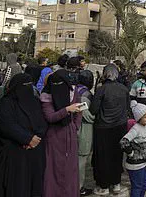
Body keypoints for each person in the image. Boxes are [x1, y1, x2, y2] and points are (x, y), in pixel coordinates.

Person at [0, 73, 48, 197]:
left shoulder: (35, 102)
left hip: (35, 151)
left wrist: (36, 139)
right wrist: (27, 139)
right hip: (15, 152)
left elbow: (42, 122)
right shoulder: (6, 103)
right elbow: (7, 124)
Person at [40, 69, 83, 197]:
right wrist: (67, 110)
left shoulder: (73, 92)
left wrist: (75, 126)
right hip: (54, 136)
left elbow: (79, 109)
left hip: (70, 134)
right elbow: (51, 117)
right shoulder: (46, 96)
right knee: (53, 169)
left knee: (70, 169)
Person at [90, 64, 130, 195]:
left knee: (103, 157)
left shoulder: (101, 90)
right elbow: (127, 106)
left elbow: (94, 109)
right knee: (117, 155)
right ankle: (116, 183)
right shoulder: (124, 89)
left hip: (103, 128)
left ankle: (104, 185)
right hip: (120, 126)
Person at [121, 101, 146, 197]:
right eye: (145, 117)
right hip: (135, 165)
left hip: (144, 161)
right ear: (139, 118)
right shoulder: (135, 129)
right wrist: (131, 153)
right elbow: (124, 142)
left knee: (144, 184)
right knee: (137, 186)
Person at [76, 70, 95, 196]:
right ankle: (79, 187)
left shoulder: (74, 89)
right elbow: (83, 112)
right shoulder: (85, 94)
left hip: (72, 128)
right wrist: (96, 118)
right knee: (81, 161)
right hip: (83, 129)